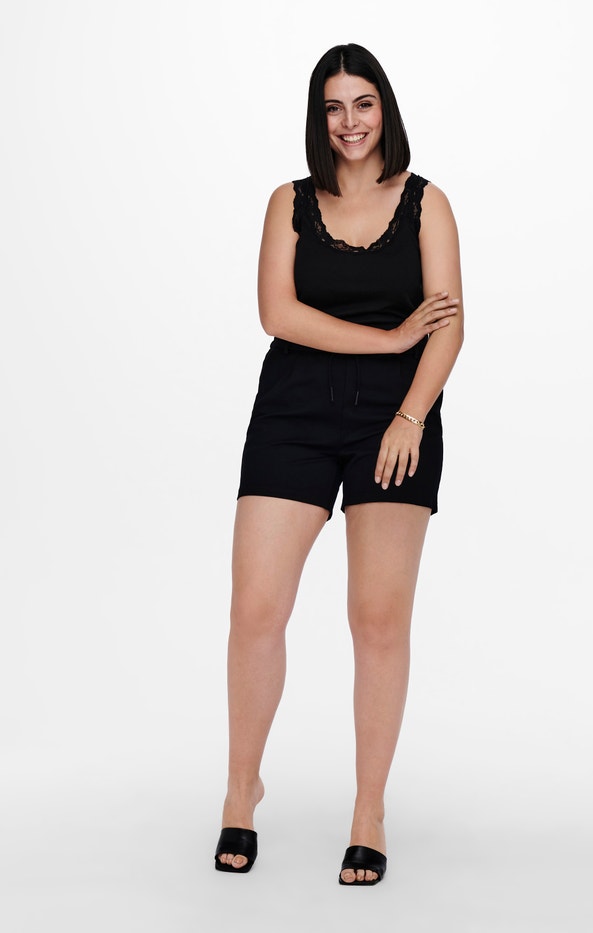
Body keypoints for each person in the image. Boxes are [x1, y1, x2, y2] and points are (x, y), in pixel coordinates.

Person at [214, 42, 463, 886]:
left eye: (363, 103)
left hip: (396, 419)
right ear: (318, 118)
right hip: (294, 408)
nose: (349, 122)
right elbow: (277, 313)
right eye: (333, 107)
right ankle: (241, 789)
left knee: (377, 619)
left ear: (384, 108)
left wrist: (410, 413)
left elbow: (450, 328)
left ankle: (369, 810)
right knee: (256, 609)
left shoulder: (427, 204)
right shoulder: (288, 202)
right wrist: (388, 338)